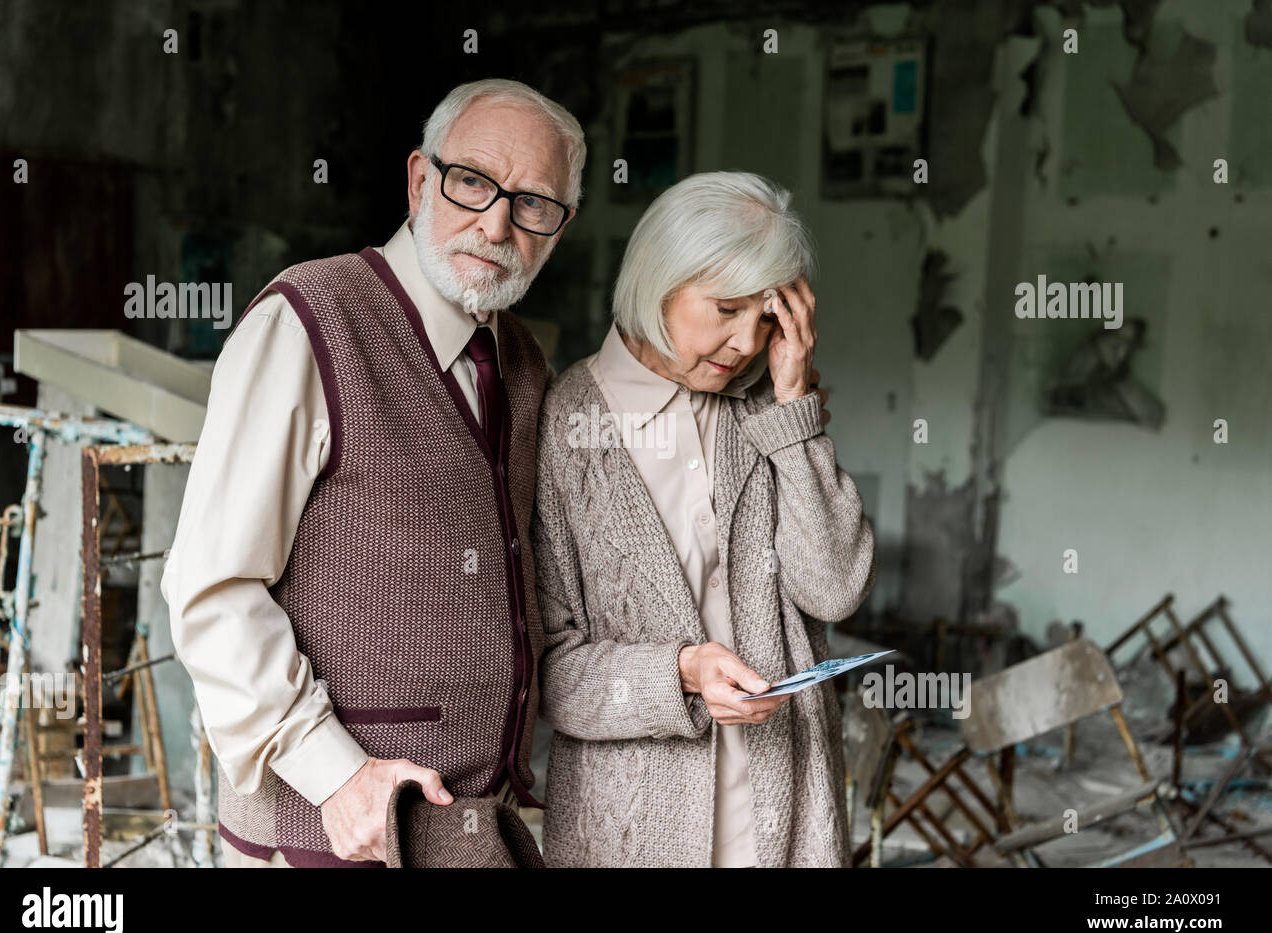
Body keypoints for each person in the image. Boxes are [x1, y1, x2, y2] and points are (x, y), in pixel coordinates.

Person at [161, 78, 584, 866]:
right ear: (421, 180)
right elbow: (212, 590)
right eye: (473, 184)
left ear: (558, 229)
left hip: (467, 832)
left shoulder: (522, 360)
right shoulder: (308, 319)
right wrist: (336, 775)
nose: (496, 224)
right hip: (333, 832)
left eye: (532, 205)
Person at [532, 171, 876, 867]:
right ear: (659, 279)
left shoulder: (769, 411)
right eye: (726, 308)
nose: (746, 341)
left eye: (767, 316)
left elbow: (836, 588)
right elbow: (550, 675)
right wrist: (682, 672)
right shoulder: (565, 424)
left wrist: (793, 409)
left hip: (786, 820)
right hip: (627, 832)